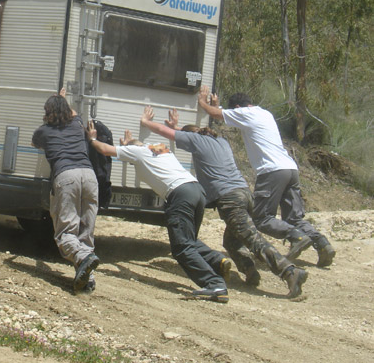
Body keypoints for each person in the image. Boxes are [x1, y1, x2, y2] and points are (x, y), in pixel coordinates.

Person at [141, 105, 308, 298]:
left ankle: (289, 272)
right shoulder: (221, 141)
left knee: (253, 240)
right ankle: (250, 272)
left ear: (190, 136)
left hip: (229, 200)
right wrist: (177, 127)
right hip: (245, 194)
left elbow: (166, 132)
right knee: (231, 241)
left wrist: (146, 122)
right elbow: (187, 133)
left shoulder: (196, 140)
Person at [89, 112, 230, 303]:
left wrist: (92, 138)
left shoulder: (137, 152)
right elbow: (138, 148)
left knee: (181, 247)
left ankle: (215, 284)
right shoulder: (160, 148)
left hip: (180, 194)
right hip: (196, 190)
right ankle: (217, 261)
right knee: (188, 238)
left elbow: (104, 149)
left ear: (131, 149)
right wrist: (130, 144)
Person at [198, 86, 336, 268]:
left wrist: (202, 101)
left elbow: (216, 115)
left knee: (261, 218)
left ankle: (296, 237)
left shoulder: (246, 113)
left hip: (272, 172)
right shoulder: (263, 113)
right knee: (293, 218)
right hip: (290, 169)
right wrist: (218, 107)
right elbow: (223, 115)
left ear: (238, 107)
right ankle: (322, 244)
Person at [32, 88, 100, 293]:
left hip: (66, 176)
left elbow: (35, 144)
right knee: (86, 231)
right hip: (89, 176)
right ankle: (87, 278)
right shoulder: (77, 125)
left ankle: (83, 258)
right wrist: (63, 100)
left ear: (47, 112)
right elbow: (73, 113)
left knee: (66, 232)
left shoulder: (43, 131)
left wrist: (56, 105)